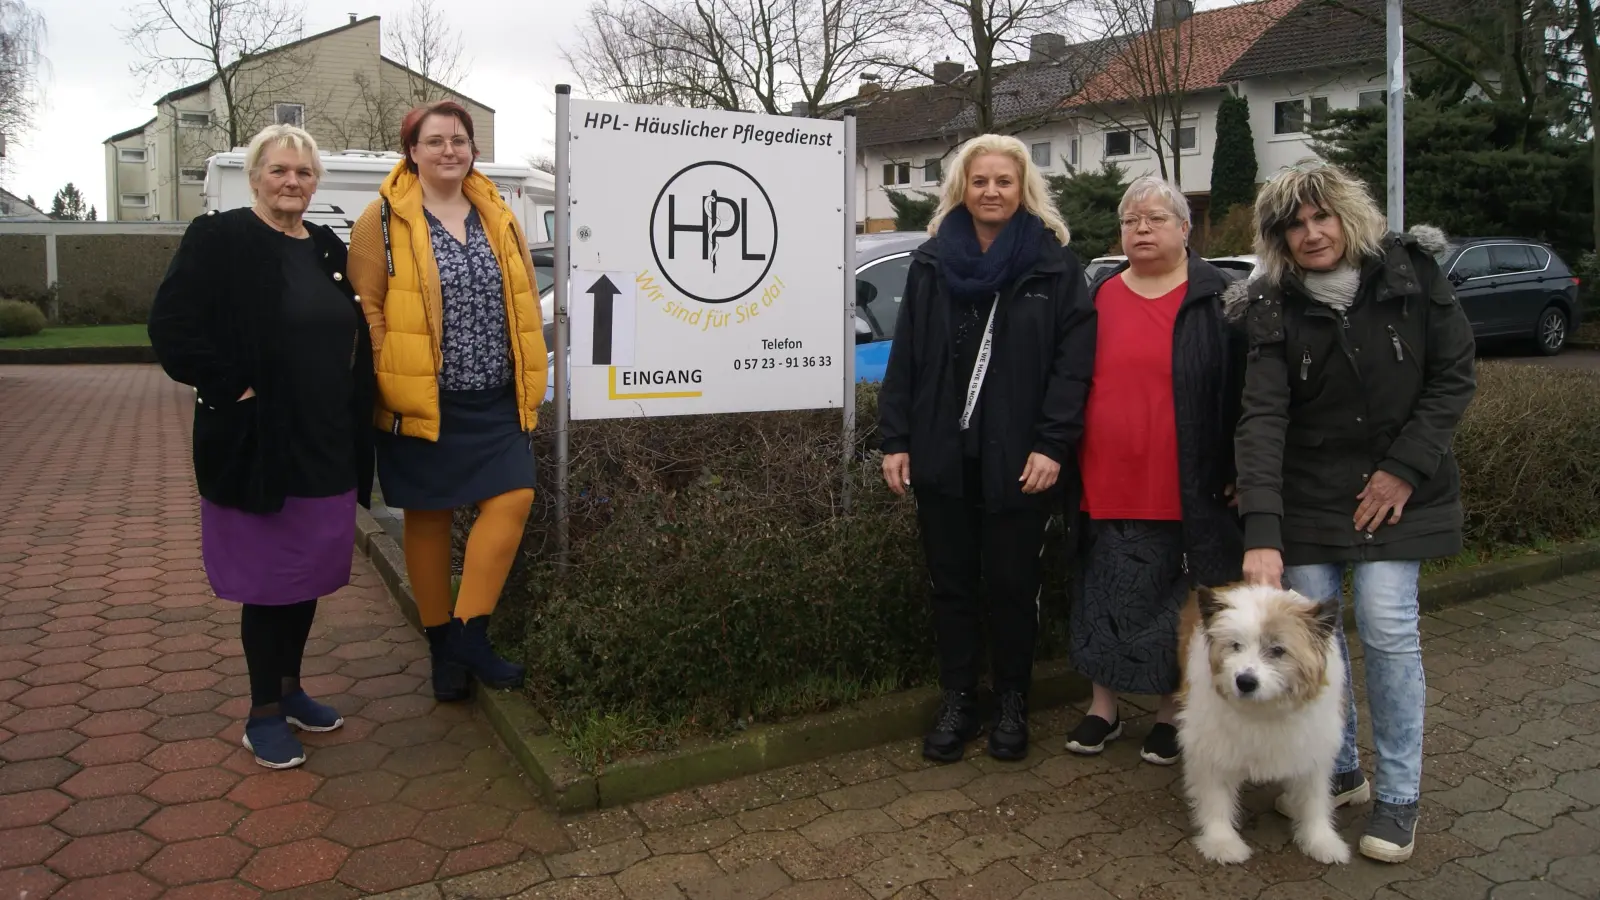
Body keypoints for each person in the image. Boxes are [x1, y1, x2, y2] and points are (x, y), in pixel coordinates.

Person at [1232, 159, 1475, 863]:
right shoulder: (1272, 302)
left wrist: (1401, 472)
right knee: (1313, 637)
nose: (1311, 234)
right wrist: (1262, 532)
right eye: (1293, 225)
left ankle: (1399, 797)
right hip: (1310, 494)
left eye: (1321, 217)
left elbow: (1453, 378)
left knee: (1388, 624)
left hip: (1402, 491)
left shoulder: (1411, 272)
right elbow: (1262, 418)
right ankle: (1339, 771)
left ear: (1345, 213)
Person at [148, 124, 376, 770]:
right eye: (280, 170)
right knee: (269, 582)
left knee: (306, 577)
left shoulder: (326, 247)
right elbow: (170, 327)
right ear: (255, 176)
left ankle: (291, 687)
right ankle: (262, 713)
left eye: (304, 173)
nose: (292, 182)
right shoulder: (219, 241)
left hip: (325, 441)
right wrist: (232, 388)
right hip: (259, 443)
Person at [878, 133, 1096, 764]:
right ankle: (958, 699)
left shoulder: (1053, 264)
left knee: (1010, 584)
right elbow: (907, 357)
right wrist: (895, 438)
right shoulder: (931, 262)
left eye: (1004, 181)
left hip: (1022, 459)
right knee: (951, 585)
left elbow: (1072, 367)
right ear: (961, 189)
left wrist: (1053, 443)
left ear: (1023, 187)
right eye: (980, 181)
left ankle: (1012, 701)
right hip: (943, 454)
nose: (992, 192)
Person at [348, 101, 547, 700]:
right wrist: (390, 369)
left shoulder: (499, 215)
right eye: (435, 141)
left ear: (472, 151)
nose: (449, 151)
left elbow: (523, 296)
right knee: (428, 518)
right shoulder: (379, 219)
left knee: (514, 496)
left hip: (495, 396)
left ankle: (469, 635)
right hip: (423, 397)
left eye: (459, 140)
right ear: (412, 150)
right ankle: (442, 652)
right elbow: (366, 308)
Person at [1065, 176, 1245, 766]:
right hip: (1104, 474)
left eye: (1155, 219)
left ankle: (1170, 714)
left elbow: (1244, 393)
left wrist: (1238, 465)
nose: (1141, 229)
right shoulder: (1097, 294)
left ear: (1185, 229)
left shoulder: (1219, 297)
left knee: (1173, 602)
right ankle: (1102, 708)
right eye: (1131, 221)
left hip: (1185, 480)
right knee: (1102, 595)